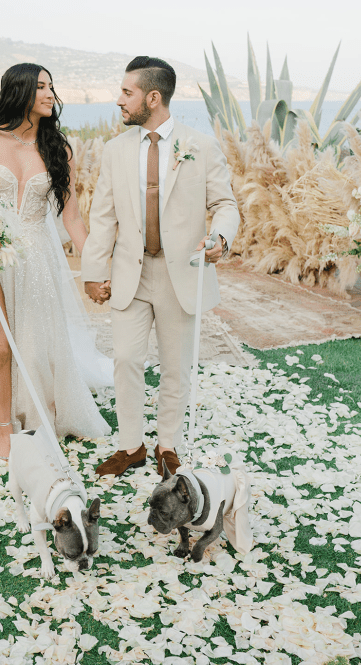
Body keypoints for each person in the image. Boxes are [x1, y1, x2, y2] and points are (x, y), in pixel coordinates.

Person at [0, 63, 112, 459]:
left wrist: (97, 266)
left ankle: (42, 414)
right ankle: (5, 430)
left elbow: (73, 218)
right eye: (41, 87)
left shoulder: (58, 149)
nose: (50, 94)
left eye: (51, 87)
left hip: (38, 259)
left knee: (35, 344)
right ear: (20, 92)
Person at [81, 56, 239, 477]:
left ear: (153, 97)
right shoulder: (115, 151)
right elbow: (103, 216)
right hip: (131, 274)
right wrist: (93, 272)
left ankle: (167, 445)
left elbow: (225, 204)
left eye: (127, 93)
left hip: (180, 275)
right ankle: (130, 446)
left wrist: (220, 237)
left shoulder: (201, 146)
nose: (119, 101)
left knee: (175, 366)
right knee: (126, 360)